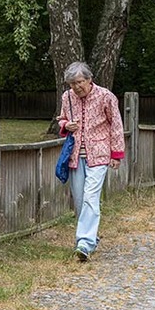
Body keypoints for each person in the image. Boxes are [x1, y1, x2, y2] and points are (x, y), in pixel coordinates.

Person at [57, 62, 125, 262]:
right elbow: (61, 118)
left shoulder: (106, 96)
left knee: (90, 197)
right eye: (72, 84)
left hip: (100, 154)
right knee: (79, 200)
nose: (76, 87)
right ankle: (91, 237)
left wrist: (116, 154)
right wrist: (65, 125)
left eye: (79, 82)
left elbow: (116, 124)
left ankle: (84, 243)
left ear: (89, 79)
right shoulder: (67, 97)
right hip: (76, 155)